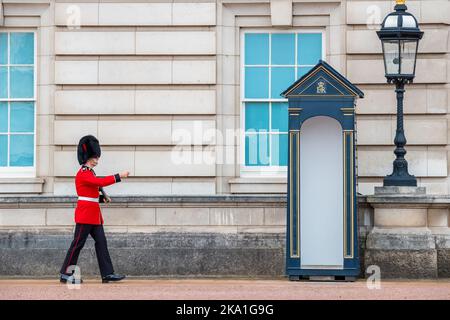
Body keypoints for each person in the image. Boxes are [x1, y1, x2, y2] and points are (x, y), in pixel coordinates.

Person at [59, 135, 129, 284]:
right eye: (95, 157)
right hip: (85, 215)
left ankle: (107, 273)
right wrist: (118, 176)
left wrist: (103, 199)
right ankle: (66, 273)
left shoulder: (90, 173)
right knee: (77, 244)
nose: (97, 159)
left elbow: (90, 193)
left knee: (102, 243)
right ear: (88, 158)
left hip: (94, 215)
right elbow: (100, 182)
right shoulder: (84, 173)